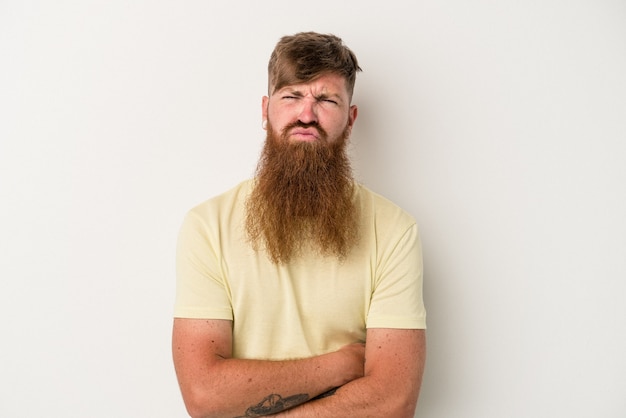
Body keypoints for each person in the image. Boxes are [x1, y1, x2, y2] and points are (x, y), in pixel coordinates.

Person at [172, 31, 426, 418]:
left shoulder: (394, 231)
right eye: (291, 96)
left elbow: (393, 401)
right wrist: (340, 365)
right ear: (265, 110)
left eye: (326, 100)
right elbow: (205, 396)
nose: (307, 114)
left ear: (351, 119)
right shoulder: (207, 227)